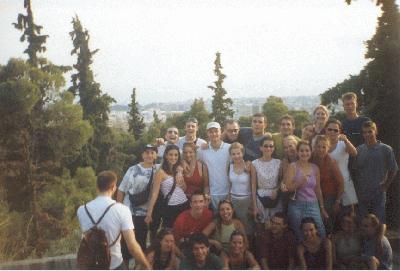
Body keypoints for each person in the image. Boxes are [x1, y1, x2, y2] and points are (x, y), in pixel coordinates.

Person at [77, 171, 151, 270]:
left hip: (91, 265)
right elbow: (132, 246)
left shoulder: (81, 210)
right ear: (114, 188)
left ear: (97, 187)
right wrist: (146, 265)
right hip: (115, 265)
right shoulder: (122, 210)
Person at [117, 144, 159, 258]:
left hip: (144, 215)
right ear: (142, 154)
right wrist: (118, 211)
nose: (149, 155)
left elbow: (173, 158)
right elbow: (121, 190)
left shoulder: (158, 170)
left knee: (141, 243)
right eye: (146, 152)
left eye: (152, 152)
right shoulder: (133, 169)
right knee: (125, 245)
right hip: (128, 212)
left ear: (156, 155)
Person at [282, 140, 327, 241]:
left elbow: (318, 189)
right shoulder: (292, 166)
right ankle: (302, 256)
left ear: (311, 152)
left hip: (313, 204)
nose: (304, 153)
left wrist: (322, 207)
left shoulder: (315, 168)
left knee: (320, 230)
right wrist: (299, 182)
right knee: (299, 233)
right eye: (301, 151)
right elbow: (287, 187)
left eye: (307, 151)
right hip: (296, 205)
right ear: (297, 152)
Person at [355, 121, 398, 223]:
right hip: (362, 192)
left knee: (379, 221)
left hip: (378, 192)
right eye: (364, 132)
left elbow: (393, 169)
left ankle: (379, 239)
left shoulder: (386, 149)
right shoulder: (359, 150)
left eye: (370, 131)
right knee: (363, 221)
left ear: (376, 131)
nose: (367, 134)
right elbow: (355, 170)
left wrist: (386, 185)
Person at [145, 145, 190, 228]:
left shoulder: (178, 169)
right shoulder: (160, 173)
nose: (173, 157)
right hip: (171, 207)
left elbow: (184, 189)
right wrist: (149, 213)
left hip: (184, 204)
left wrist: (180, 176)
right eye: (171, 155)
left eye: (176, 155)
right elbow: (154, 194)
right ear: (166, 155)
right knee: (171, 233)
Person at [312, 135, 344, 234]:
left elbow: (341, 183)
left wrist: (337, 201)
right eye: (318, 146)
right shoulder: (312, 158)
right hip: (315, 195)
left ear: (328, 148)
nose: (321, 149)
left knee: (326, 221)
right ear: (314, 147)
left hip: (329, 196)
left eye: (323, 147)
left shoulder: (331, 162)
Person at [326, 119, 358, 214]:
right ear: (325, 130)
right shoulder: (322, 145)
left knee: (348, 213)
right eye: (330, 129)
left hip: (344, 183)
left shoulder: (343, 144)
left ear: (339, 131)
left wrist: (346, 140)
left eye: (335, 130)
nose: (332, 132)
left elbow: (354, 153)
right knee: (331, 212)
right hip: (329, 184)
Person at [198, 122, 231, 210]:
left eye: (216, 131)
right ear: (207, 133)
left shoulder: (229, 148)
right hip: (211, 194)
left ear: (221, 131)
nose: (213, 134)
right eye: (210, 132)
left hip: (228, 192)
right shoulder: (202, 150)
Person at [228, 142, 257, 237]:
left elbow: (253, 186)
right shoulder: (230, 166)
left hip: (246, 200)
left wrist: (254, 204)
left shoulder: (249, 165)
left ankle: (248, 247)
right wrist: (228, 201)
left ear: (242, 153)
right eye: (233, 154)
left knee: (248, 227)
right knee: (236, 227)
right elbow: (229, 185)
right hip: (233, 200)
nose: (236, 156)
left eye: (238, 153)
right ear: (230, 155)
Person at [252, 137, 283, 225]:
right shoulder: (254, 163)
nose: (268, 148)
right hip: (261, 197)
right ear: (261, 148)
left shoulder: (278, 162)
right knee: (262, 224)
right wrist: (254, 206)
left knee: (276, 223)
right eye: (265, 146)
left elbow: (281, 180)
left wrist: (277, 190)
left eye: (271, 146)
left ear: (274, 148)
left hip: (275, 196)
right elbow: (253, 185)